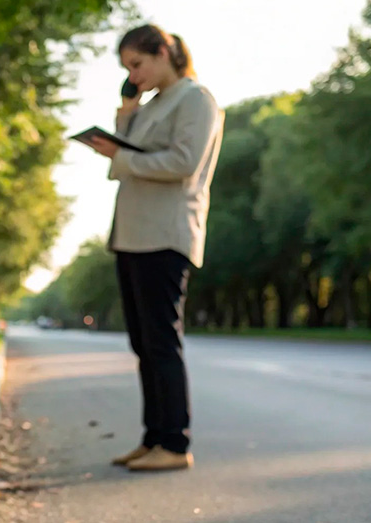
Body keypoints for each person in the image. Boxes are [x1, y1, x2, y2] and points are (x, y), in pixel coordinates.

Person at [88, 24, 225, 472]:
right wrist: (127, 111)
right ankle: (153, 439)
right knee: (143, 343)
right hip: (132, 237)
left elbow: (184, 163)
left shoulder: (196, 99)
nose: (133, 74)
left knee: (162, 342)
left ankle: (175, 443)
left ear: (163, 52)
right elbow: (129, 157)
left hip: (165, 236)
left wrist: (120, 156)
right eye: (127, 68)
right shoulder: (151, 105)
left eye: (136, 64)